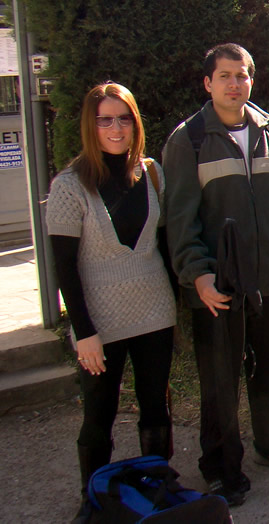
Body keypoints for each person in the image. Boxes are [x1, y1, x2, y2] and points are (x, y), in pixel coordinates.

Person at [163, 43, 269, 506]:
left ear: (252, 80)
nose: (236, 84)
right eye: (226, 76)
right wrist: (198, 276)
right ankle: (220, 467)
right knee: (219, 380)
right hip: (218, 287)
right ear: (208, 83)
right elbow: (180, 220)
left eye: (243, 75)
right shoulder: (187, 140)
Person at [47, 82, 176, 522]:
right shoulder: (69, 186)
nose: (115, 127)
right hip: (99, 321)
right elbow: (64, 267)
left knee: (156, 405)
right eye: (105, 119)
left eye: (124, 118)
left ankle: (155, 486)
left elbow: (164, 245)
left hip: (155, 311)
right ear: (91, 125)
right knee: (99, 411)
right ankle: (95, 498)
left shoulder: (151, 173)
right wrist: (83, 333)